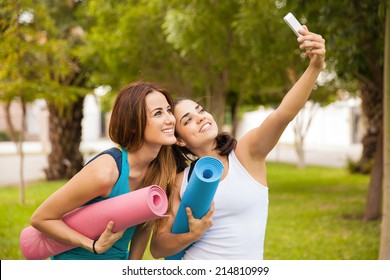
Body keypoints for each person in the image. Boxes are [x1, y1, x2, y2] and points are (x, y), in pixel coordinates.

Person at [150, 26, 326, 260]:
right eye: (188, 120)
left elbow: (282, 114)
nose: (201, 117)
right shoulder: (180, 182)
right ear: (179, 140)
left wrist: (315, 67)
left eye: (200, 110)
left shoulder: (246, 153)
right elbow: (158, 248)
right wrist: (190, 236)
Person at [30, 81, 177, 260]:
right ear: (132, 124)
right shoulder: (105, 171)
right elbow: (41, 218)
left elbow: (143, 225)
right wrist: (91, 245)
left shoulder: (159, 170)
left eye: (169, 110)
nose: (170, 119)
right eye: (158, 113)